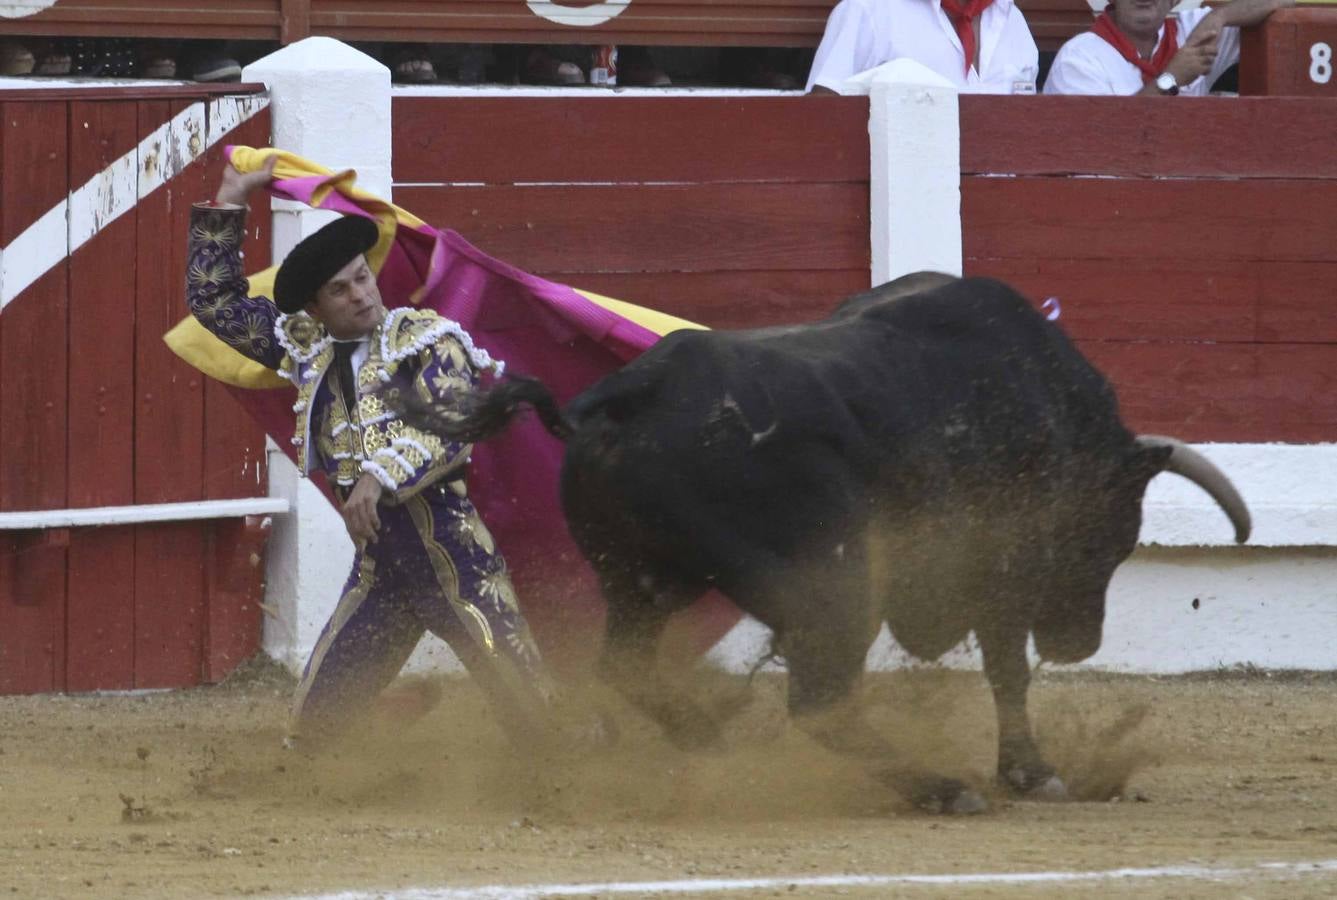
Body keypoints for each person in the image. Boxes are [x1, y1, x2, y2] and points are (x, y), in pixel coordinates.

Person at [186, 158, 560, 750]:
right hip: (381, 575)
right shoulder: (306, 353)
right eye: (340, 289)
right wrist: (230, 199)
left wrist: (376, 478)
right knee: (311, 737)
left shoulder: (428, 339)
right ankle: (386, 726)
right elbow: (216, 304)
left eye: (362, 277)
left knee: (541, 728)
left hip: (459, 566)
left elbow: (451, 426)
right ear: (313, 309)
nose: (360, 295)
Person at [1044, 0, 1294, 96]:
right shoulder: (1078, 58)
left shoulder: (1192, 30)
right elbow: (1111, 139)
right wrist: (1172, 78)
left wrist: (1221, 16)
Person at [805, 0, 1040, 94]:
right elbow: (819, 126)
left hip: (1005, 196)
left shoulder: (1013, 20)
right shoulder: (869, 10)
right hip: (895, 198)